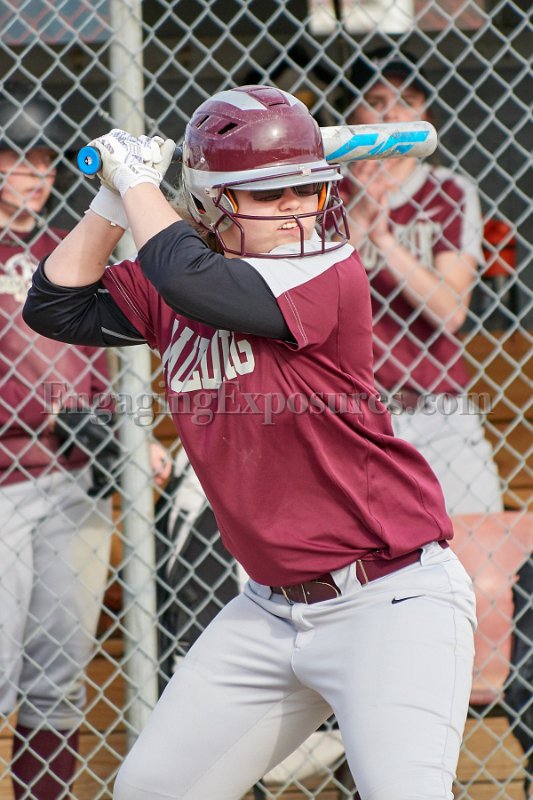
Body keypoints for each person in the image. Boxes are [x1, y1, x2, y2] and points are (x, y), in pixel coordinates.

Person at [23, 85, 477, 800]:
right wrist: (112, 199)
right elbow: (55, 305)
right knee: (152, 791)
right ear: (209, 206)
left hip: (389, 598)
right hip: (268, 610)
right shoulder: (177, 280)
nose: (297, 208)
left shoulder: (326, 268)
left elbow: (194, 280)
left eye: (306, 189)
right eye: (269, 195)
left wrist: (142, 185)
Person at [0, 85, 169, 800]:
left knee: (58, 677)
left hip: (75, 476)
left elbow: (102, 361)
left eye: (45, 160)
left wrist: (126, 433)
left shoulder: (61, 248)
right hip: (5, 481)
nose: (37, 175)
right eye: (18, 159)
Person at [340, 46, 503, 515]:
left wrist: (386, 241)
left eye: (406, 101)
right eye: (375, 100)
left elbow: (451, 311)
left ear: (424, 113)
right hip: (350, 408)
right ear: (351, 113)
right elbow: (312, 290)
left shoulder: (449, 191)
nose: (391, 114)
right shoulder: (325, 189)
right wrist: (362, 213)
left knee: (482, 530)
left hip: (438, 403)